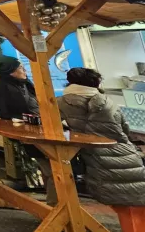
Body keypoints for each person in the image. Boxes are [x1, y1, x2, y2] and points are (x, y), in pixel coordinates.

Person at [58, 68, 145, 207]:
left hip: (93, 156)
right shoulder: (107, 101)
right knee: (135, 199)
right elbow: (124, 127)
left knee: (115, 197)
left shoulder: (61, 103)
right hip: (125, 152)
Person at [0, 56, 57, 204]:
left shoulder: (27, 83)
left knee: (51, 165)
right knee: (49, 167)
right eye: (20, 68)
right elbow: (3, 113)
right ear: (11, 71)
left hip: (45, 127)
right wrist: (25, 120)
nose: (24, 70)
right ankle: (54, 203)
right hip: (27, 131)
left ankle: (54, 200)